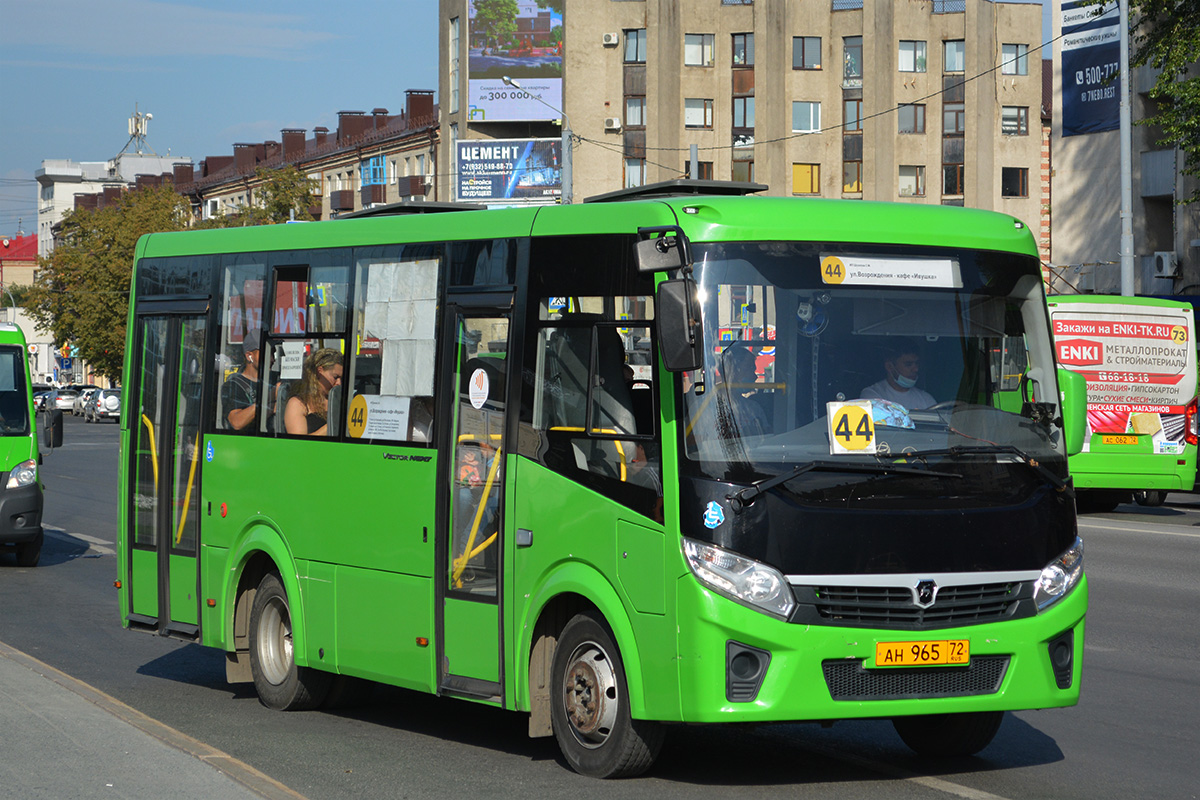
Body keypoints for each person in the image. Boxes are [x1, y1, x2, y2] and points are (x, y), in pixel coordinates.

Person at [284, 348, 343, 436]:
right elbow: (298, 444)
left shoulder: (339, 400)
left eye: (341, 378)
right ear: (319, 372)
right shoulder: (298, 403)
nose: (339, 383)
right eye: (335, 377)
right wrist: (332, 426)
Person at [861, 341, 936, 409]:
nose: (916, 369)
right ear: (889, 366)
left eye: (917, 364)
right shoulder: (872, 395)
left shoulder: (926, 399)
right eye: (908, 364)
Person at [722, 346, 770, 436]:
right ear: (732, 372)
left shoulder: (754, 408)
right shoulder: (705, 409)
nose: (755, 376)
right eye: (750, 369)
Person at [222, 330, 261, 431]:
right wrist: (267, 404)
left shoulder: (273, 381)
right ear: (249, 356)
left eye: (273, 352)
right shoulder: (234, 386)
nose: (272, 358)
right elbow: (236, 422)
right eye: (266, 352)